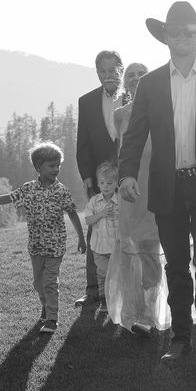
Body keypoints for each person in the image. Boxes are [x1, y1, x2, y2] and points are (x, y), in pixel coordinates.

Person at [118, 1, 196, 379]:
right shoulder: (152, 83)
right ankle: (180, 339)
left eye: (190, 32)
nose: (183, 38)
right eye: (176, 33)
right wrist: (125, 175)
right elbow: (135, 135)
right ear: (165, 37)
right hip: (167, 186)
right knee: (175, 266)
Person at [0, 142, 86, 334]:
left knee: (50, 282)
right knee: (38, 283)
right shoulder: (28, 189)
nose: (56, 169)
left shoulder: (62, 191)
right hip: (36, 246)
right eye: (51, 166)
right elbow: (11, 197)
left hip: (55, 246)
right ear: (38, 167)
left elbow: (72, 213)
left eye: (58, 165)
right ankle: (46, 305)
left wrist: (81, 238)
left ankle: (52, 319)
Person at [105, 63, 166, 335]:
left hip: (158, 187)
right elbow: (122, 152)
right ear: (124, 83)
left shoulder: (164, 108)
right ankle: (134, 311)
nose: (136, 78)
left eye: (142, 74)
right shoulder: (120, 115)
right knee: (132, 252)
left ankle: (150, 314)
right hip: (130, 191)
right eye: (130, 74)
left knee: (151, 251)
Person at [75, 50, 124, 307]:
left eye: (112, 70)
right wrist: (86, 176)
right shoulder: (87, 101)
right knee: (97, 230)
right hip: (100, 178)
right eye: (102, 71)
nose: (107, 76)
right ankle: (93, 290)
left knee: (126, 228)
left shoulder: (133, 97)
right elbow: (82, 143)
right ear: (97, 73)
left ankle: (124, 287)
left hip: (128, 176)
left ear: (121, 70)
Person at [84, 161, 120, 317]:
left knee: (116, 274)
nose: (105, 186)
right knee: (104, 274)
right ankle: (105, 301)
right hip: (98, 247)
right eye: (102, 183)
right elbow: (88, 221)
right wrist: (101, 214)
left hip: (116, 247)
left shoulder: (121, 201)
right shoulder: (94, 201)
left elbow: (127, 220)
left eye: (109, 183)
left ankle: (117, 300)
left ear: (116, 184)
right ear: (98, 184)